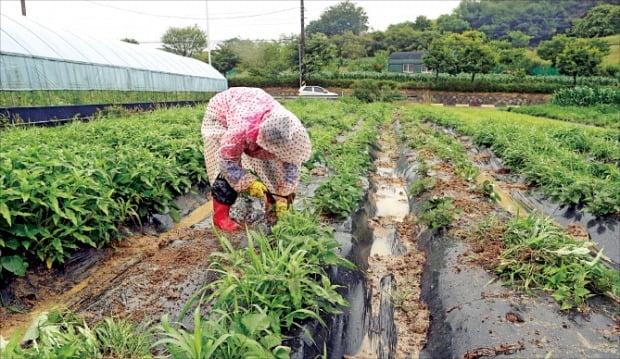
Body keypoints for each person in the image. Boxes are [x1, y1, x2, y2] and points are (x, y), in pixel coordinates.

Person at [201, 87, 312, 231]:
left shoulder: (289, 128)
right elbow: (226, 162)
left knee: (272, 167)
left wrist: (284, 195)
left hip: (253, 105)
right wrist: (248, 182)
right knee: (224, 174)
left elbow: (291, 162)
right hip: (222, 111)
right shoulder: (240, 131)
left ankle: (273, 204)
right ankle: (220, 217)